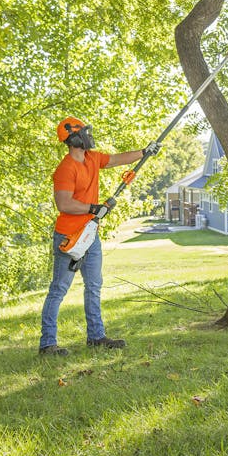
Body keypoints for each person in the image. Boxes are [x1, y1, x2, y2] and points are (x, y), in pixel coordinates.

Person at [39, 116, 146, 356]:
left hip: (90, 234)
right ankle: (47, 344)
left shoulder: (92, 158)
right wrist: (92, 209)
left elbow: (117, 159)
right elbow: (63, 203)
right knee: (59, 289)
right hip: (69, 237)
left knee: (94, 285)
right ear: (74, 137)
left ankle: (96, 337)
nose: (89, 135)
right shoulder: (65, 168)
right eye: (84, 131)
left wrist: (143, 152)